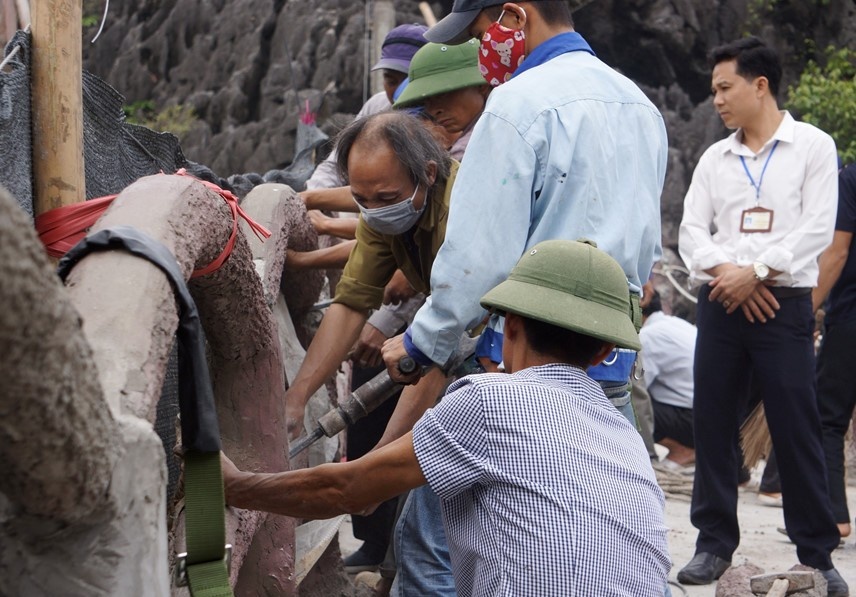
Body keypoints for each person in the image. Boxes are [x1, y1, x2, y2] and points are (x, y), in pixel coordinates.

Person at [222, 239, 671, 597]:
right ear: (607, 351)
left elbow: (346, 489)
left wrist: (235, 485)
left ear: (508, 326)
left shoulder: (490, 400)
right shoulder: (624, 435)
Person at [380, 0, 667, 429]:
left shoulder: (515, 104)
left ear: (514, 18)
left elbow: (479, 258)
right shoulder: (641, 106)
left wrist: (421, 344)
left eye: (479, 36)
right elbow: (646, 252)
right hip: (608, 363)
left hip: (521, 365)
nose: (481, 51)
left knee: (440, 491)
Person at [677, 36, 846, 594]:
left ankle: (816, 554)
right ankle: (713, 545)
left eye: (725, 88)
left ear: (760, 85)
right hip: (722, 303)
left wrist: (758, 272)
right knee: (715, 421)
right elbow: (690, 233)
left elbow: (817, 229)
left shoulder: (814, 147)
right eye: (714, 91)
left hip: (783, 304)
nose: (718, 100)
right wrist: (730, 273)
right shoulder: (714, 157)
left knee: (796, 426)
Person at [814, 163, 856, 540]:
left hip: (851, 320)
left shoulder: (851, 177)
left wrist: (810, 304)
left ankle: (836, 517)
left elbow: (837, 251)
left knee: (828, 420)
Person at [393, 39, 491, 161]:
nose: (433, 111)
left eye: (442, 95)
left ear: (481, 86)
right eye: (426, 102)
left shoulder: (468, 151)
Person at [639, 287, 696, 471]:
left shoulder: (648, 336)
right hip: (708, 415)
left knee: (631, 401)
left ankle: (683, 449)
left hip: (691, 420)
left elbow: (637, 386)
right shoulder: (673, 323)